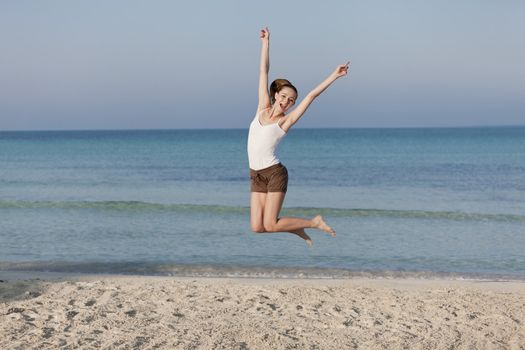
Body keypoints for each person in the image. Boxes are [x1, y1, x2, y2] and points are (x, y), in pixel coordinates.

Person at [247, 27, 350, 246]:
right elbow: (263, 72)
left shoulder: (285, 121)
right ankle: (296, 228)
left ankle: (313, 222)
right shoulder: (261, 108)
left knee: (271, 224)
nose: (286, 101)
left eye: (291, 100)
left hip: (274, 173)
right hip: (255, 174)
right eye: (284, 96)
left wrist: (334, 75)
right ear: (276, 95)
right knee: (257, 227)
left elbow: (312, 95)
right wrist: (266, 43)